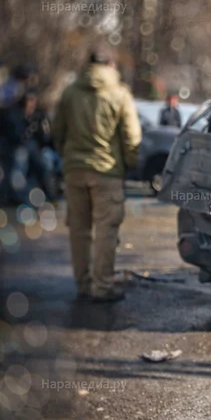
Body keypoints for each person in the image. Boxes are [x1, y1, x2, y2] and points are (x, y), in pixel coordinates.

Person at [52, 45, 141, 302]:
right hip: (107, 172)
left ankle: (83, 284)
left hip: (74, 171)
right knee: (106, 230)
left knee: (78, 230)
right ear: (110, 65)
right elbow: (131, 136)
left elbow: (57, 130)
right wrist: (129, 164)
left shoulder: (69, 92)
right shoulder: (120, 94)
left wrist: (67, 156)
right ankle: (102, 287)